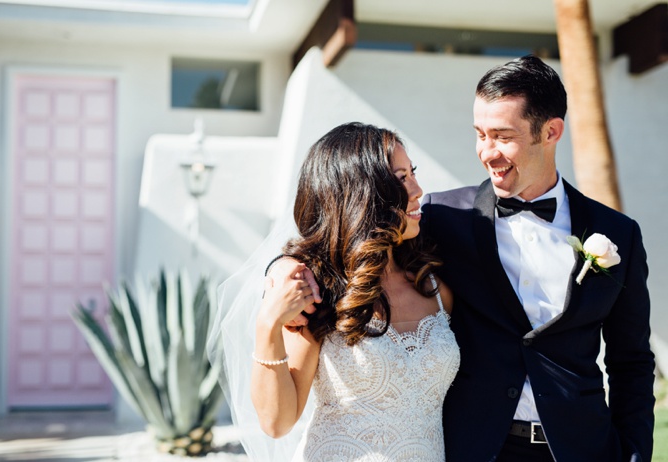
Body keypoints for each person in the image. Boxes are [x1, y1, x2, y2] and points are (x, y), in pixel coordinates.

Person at [419, 55, 654, 461]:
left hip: (583, 450)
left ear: (551, 131)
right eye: (480, 134)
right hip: (476, 449)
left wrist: (634, 454)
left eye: (502, 136)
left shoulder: (618, 233)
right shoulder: (442, 217)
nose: (486, 152)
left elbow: (631, 361)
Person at [213, 122, 460, 461]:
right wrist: (268, 323)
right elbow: (277, 422)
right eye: (401, 179)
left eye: (413, 173)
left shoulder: (434, 288)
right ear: (363, 193)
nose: (418, 190)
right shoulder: (319, 292)